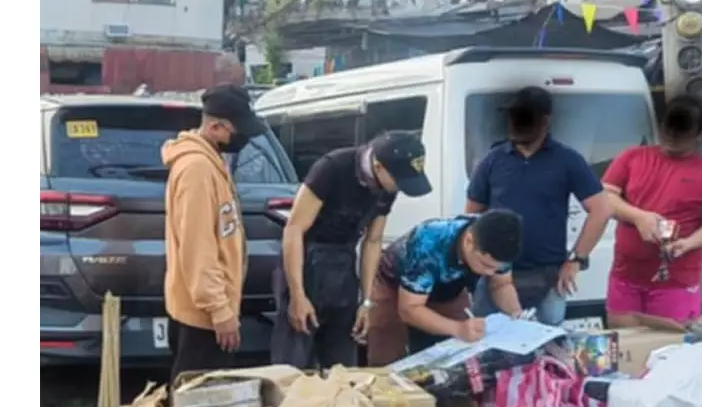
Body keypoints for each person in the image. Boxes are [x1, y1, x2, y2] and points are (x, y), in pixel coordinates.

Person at [271, 131, 432, 369]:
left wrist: (366, 302)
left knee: (342, 368)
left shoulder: (387, 188)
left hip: (343, 270)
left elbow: (373, 241)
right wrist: (297, 295)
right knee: (292, 367)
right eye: (398, 181)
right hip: (305, 263)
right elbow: (294, 229)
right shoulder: (333, 168)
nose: (399, 188)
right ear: (378, 166)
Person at [467, 86, 612, 325]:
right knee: (489, 351)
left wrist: (577, 260)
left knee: (548, 351)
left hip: (548, 277)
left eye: (524, 118)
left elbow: (601, 209)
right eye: (513, 117)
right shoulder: (492, 161)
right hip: (495, 274)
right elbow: (471, 216)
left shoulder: (567, 160)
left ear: (545, 121)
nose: (515, 123)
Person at [602, 95, 702, 326]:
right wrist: (638, 217)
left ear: (698, 134)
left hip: (676, 281)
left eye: (681, 132)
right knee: (624, 348)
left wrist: (689, 243)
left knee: (670, 352)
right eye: (668, 129)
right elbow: (604, 196)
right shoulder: (632, 158)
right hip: (626, 276)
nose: (672, 137)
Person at [162, 84, 264, 382]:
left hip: (206, 309)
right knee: (199, 402)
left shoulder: (211, 161)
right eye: (237, 130)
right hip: (202, 316)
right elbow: (198, 247)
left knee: (204, 398)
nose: (241, 138)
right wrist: (219, 310)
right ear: (215, 126)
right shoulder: (197, 169)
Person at [367, 210, 524, 367]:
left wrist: (516, 314)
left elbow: (501, 284)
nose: (490, 273)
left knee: (459, 354)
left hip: (448, 286)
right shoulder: (429, 241)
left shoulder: (500, 243)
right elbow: (409, 309)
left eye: (496, 268)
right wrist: (457, 328)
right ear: (469, 241)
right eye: (485, 265)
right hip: (394, 283)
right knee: (387, 356)